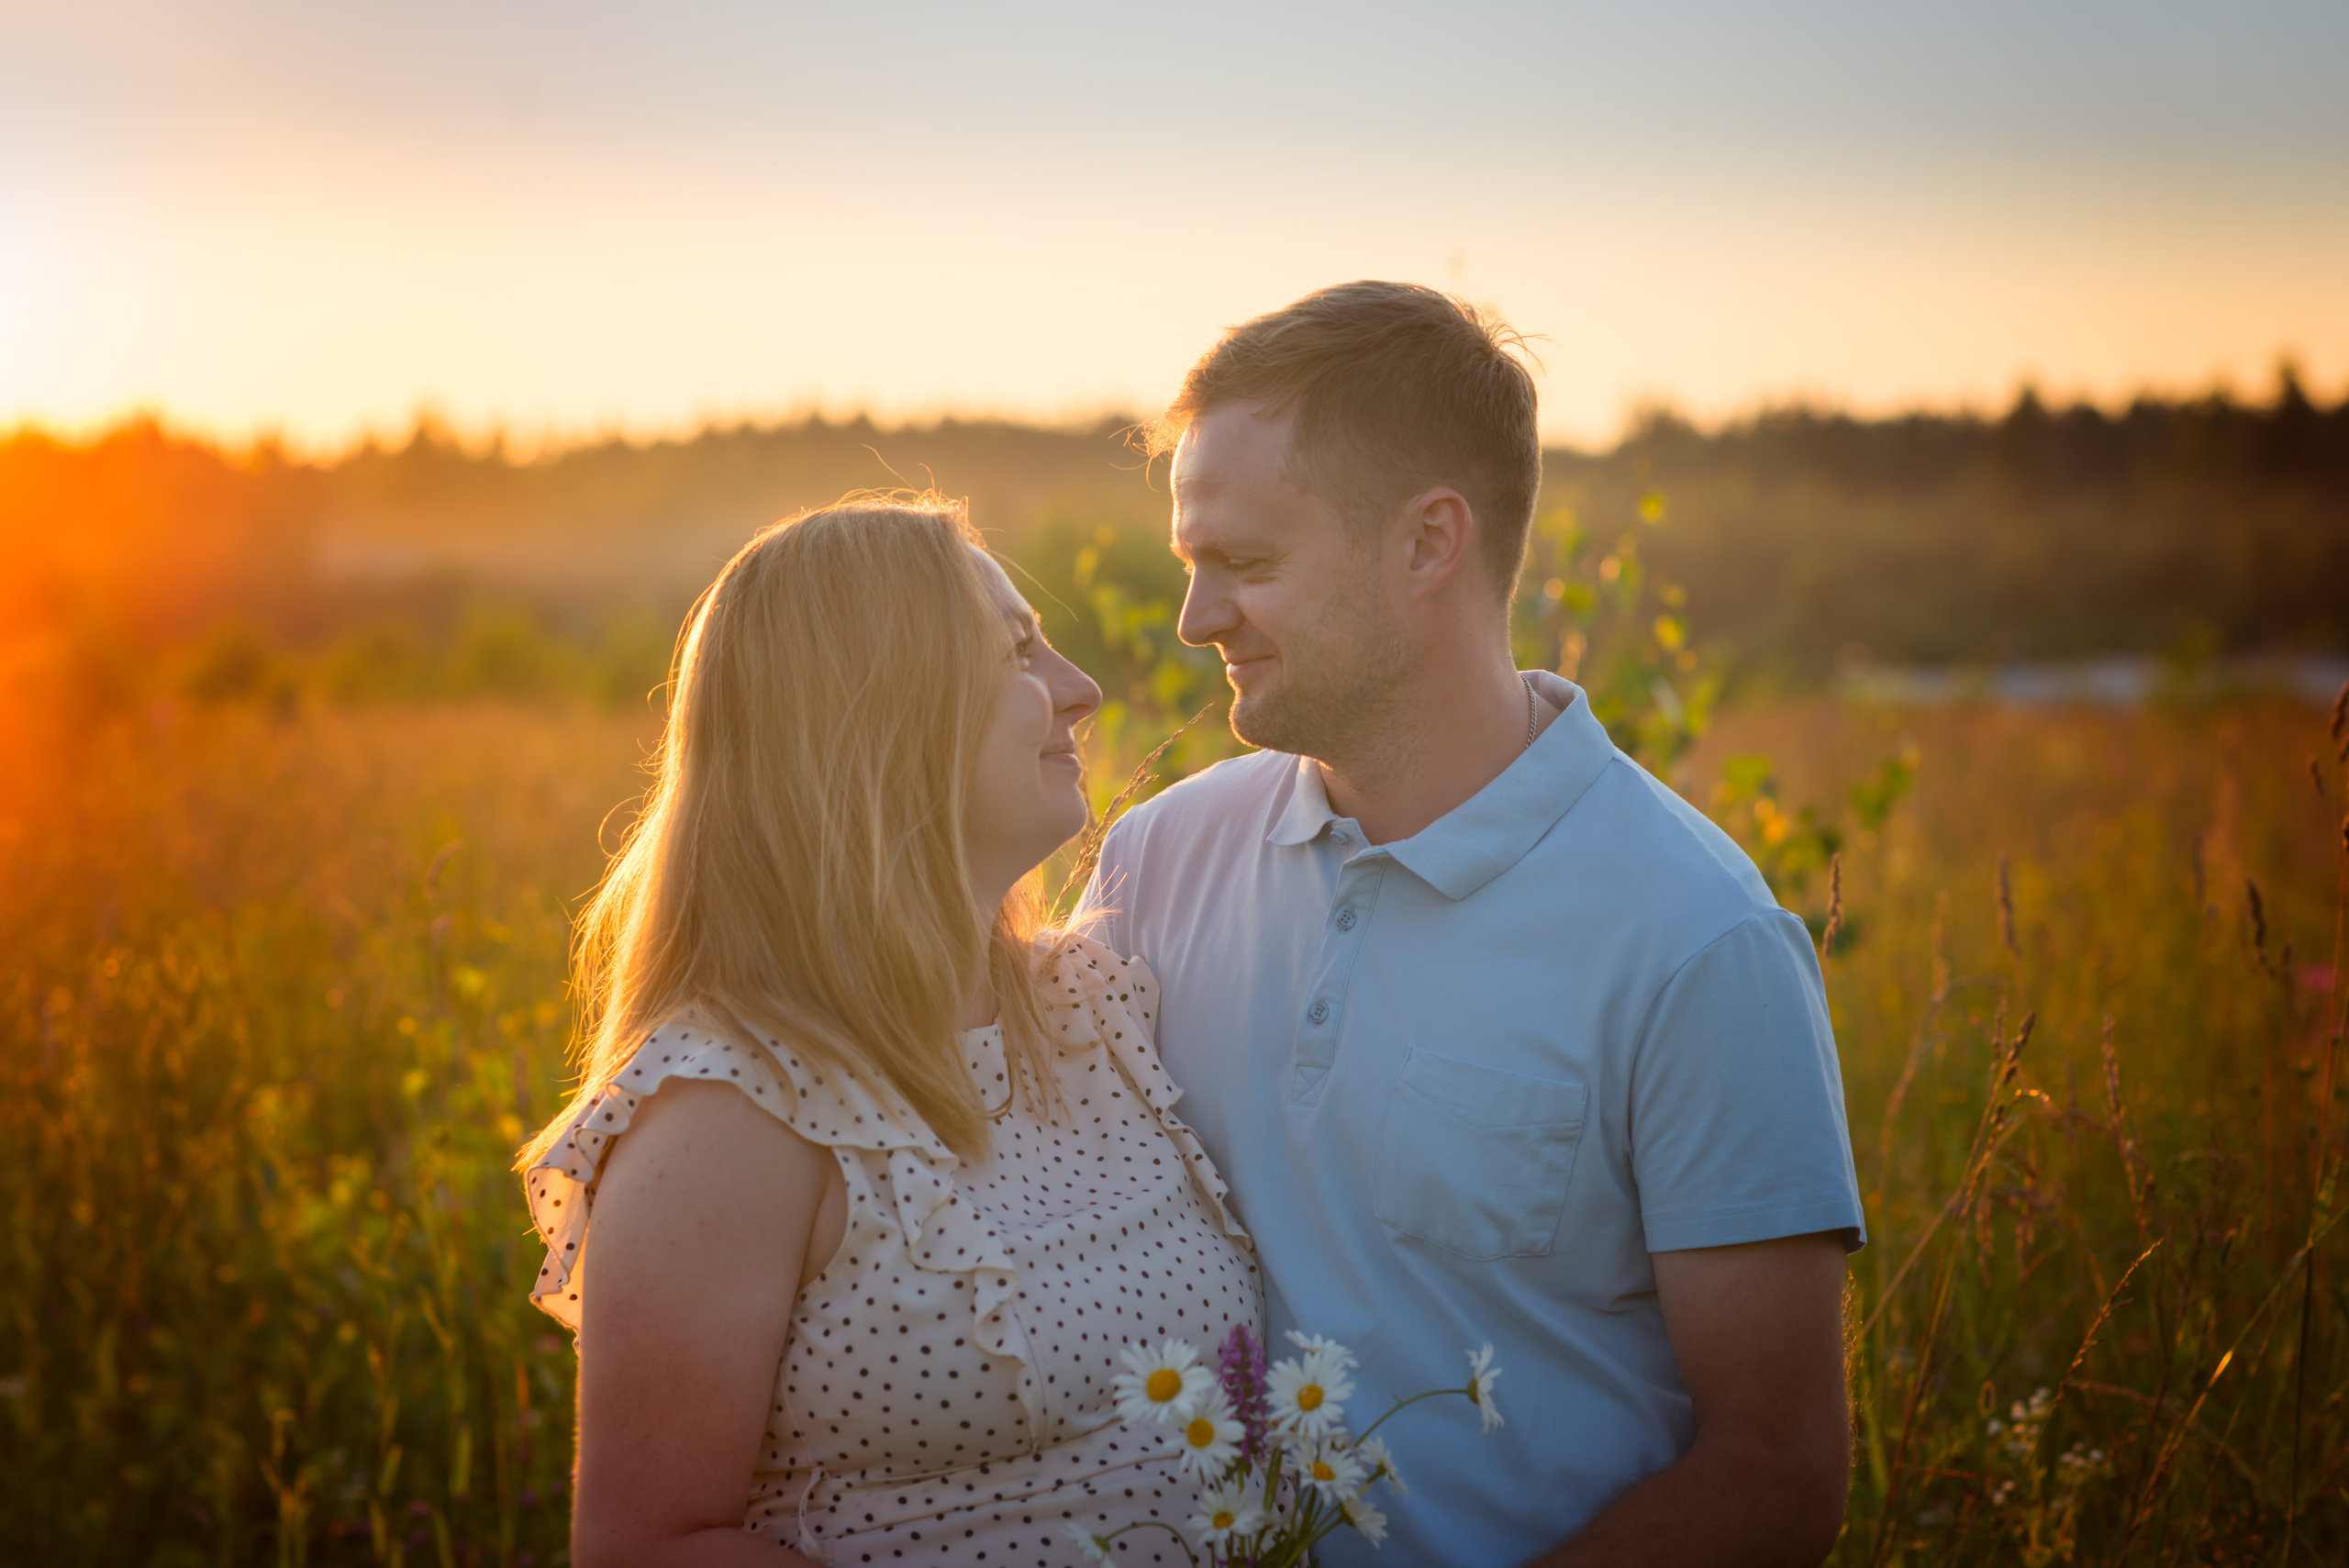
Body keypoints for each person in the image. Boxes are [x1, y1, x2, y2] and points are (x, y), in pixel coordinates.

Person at [1081, 282, 1865, 1567]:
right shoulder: (1155, 861)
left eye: (1249, 563)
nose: (1196, 619)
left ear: (1428, 543)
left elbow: (1776, 1474)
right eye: (1192, 565)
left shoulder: (1697, 941)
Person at [519, 499, 1261, 1567]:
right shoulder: (732, 1109)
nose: (1082, 689)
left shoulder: (1095, 1007)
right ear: (880, 712)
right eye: (1017, 650)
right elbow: (646, 1547)